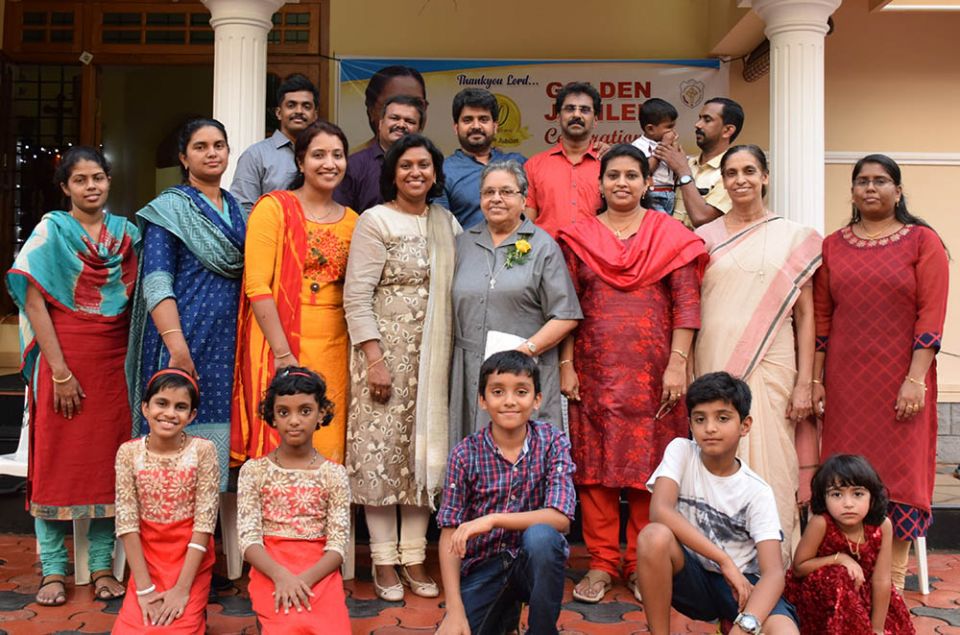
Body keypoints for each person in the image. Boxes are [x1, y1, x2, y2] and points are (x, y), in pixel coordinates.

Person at [556, 143, 707, 603]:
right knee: (596, 469)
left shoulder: (670, 234)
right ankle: (601, 563)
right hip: (594, 369)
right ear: (600, 184)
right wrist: (566, 364)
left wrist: (678, 364)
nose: (622, 183)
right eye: (613, 175)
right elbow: (566, 307)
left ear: (647, 183)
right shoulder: (577, 236)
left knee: (650, 468)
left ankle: (645, 563)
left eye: (631, 176)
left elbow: (686, 302)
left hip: (655, 373)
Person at [7, 146, 139, 606]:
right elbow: (33, 299)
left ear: (108, 181)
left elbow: (140, 298)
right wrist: (60, 372)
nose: (91, 187)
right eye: (80, 179)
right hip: (62, 357)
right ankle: (53, 570)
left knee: (108, 458)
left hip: (113, 360)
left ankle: (102, 566)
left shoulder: (127, 235)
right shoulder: (52, 231)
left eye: (98, 177)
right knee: (56, 459)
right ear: (65, 187)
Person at [814, 153, 949, 590]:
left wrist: (915, 379)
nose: (871, 188)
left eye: (881, 180)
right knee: (844, 473)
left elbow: (931, 315)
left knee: (899, 475)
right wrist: (815, 380)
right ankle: (847, 580)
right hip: (846, 386)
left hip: (901, 382)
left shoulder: (922, 242)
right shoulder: (833, 246)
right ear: (852, 191)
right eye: (862, 181)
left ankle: (890, 587)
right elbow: (822, 320)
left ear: (898, 190)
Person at [343, 133, 461, 601]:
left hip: (433, 360)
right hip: (384, 357)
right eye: (407, 165)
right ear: (392, 173)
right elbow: (356, 296)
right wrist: (375, 359)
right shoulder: (376, 221)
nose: (417, 173)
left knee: (422, 456)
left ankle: (414, 556)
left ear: (435, 173)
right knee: (381, 455)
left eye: (425, 165)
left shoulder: (446, 222)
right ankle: (384, 561)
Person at [694, 145, 821, 565]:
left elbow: (805, 315)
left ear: (765, 176)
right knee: (715, 452)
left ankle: (774, 564)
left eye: (750, 170)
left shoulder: (794, 236)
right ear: (723, 181)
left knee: (773, 461)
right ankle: (717, 563)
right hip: (714, 358)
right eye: (731, 173)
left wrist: (805, 381)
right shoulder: (703, 238)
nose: (740, 180)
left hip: (773, 363)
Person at [128, 118, 246, 493]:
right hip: (182, 338)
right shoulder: (169, 210)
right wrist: (177, 347)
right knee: (175, 434)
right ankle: (167, 537)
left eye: (218, 145)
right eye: (200, 147)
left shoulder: (241, 210)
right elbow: (156, 282)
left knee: (224, 450)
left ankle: (210, 539)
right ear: (184, 157)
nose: (211, 153)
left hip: (230, 344)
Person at [232, 121, 358, 464]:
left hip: (335, 346)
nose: (329, 163)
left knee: (328, 446)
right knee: (282, 442)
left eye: (337, 155)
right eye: (318, 155)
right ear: (300, 163)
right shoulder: (273, 208)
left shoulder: (354, 222)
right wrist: (284, 355)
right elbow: (257, 285)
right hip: (281, 341)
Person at [636, 372, 799, 635]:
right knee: (654, 536)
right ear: (690, 424)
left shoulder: (757, 491)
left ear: (745, 426)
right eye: (700, 419)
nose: (710, 428)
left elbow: (774, 574)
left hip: (742, 587)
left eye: (722, 418)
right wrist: (723, 560)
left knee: (785, 631)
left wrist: (746, 625)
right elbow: (660, 510)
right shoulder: (681, 451)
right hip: (693, 579)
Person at [436, 351, 576, 635]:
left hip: (531, 564)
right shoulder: (465, 454)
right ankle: (505, 615)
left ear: (537, 400)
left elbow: (561, 519)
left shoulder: (552, 441)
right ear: (483, 400)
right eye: (498, 392)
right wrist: (454, 610)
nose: (510, 401)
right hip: (483, 567)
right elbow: (450, 532)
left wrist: (493, 519)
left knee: (542, 537)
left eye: (521, 392)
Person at [449, 159, 581, 440]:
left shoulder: (543, 245)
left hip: (523, 372)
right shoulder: (462, 243)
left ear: (523, 199)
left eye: (506, 192)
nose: (496, 199)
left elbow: (566, 315)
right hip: (469, 370)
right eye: (488, 192)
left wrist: (525, 351)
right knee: (473, 455)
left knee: (522, 457)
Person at [237, 367, 350, 634]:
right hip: (271, 565)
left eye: (305, 410)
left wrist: (302, 581)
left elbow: (337, 546)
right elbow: (248, 540)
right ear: (272, 417)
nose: (294, 420)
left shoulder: (334, 474)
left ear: (321, 413)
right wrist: (281, 576)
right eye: (284, 412)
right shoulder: (254, 471)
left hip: (319, 569)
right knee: (289, 626)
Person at [112, 369, 219, 633]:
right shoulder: (128, 452)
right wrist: (145, 589)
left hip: (190, 559)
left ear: (192, 415)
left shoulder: (203, 451)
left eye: (180, 407)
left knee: (177, 627)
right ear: (145, 408)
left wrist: (182, 590)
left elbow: (205, 523)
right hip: (147, 560)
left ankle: (196, 605)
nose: (170, 413)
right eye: (162, 403)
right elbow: (126, 522)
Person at [784, 454, 915, 634]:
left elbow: (882, 579)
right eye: (836, 494)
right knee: (839, 575)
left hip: (864, 596)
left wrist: (877, 629)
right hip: (823, 598)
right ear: (824, 498)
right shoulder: (821, 523)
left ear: (872, 497)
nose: (848, 504)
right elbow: (798, 567)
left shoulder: (882, 525)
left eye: (858, 494)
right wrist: (839, 559)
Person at [436, 88, 527, 229]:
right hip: (464, 250)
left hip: (517, 249)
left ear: (495, 126)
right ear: (456, 127)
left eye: (483, 119)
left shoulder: (518, 164)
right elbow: (442, 228)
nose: (476, 126)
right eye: (468, 120)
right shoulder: (442, 171)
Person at [230, 74, 320, 213]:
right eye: (291, 105)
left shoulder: (324, 156)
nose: (299, 111)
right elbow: (242, 210)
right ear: (278, 113)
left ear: (315, 115)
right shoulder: (255, 155)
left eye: (306, 106)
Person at [524, 82, 602, 237]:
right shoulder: (534, 165)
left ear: (596, 120)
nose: (577, 115)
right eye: (570, 109)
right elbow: (526, 223)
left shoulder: (608, 164)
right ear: (558, 116)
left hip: (595, 258)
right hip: (547, 257)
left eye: (585, 110)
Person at [654, 97, 743, 228]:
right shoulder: (685, 162)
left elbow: (702, 217)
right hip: (670, 245)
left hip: (705, 248)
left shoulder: (733, 173)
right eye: (699, 118)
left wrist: (683, 171)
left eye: (707, 120)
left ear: (727, 130)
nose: (698, 124)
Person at [334, 94, 425, 214]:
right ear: (381, 124)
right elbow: (341, 216)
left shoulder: (426, 170)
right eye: (394, 118)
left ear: (419, 130)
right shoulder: (354, 165)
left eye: (409, 121)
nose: (401, 125)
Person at [353, 64, 428, 154]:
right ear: (371, 110)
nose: (405, 112)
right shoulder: (352, 164)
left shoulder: (435, 163)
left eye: (416, 104)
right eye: (394, 103)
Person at [631, 97, 679, 214]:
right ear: (650, 129)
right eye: (669, 127)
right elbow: (646, 170)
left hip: (671, 194)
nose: (672, 131)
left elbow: (678, 166)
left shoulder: (669, 144)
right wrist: (664, 145)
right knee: (664, 226)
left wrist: (674, 147)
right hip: (653, 195)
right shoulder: (638, 146)